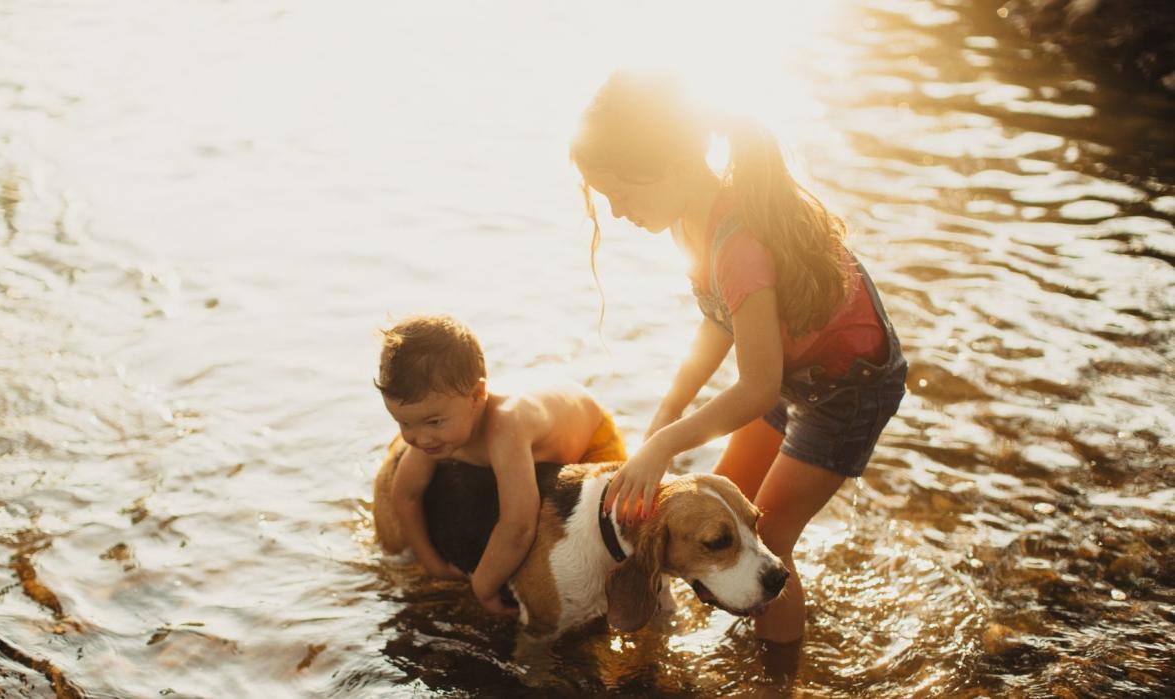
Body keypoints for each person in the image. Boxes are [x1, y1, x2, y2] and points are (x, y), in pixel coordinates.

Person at [572, 71, 907, 643]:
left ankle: (779, 677)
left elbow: (755, 387)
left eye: (622, 194)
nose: (618, 212)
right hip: (794, 375)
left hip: (848, 389)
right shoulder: (689, 219)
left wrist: (664, 444)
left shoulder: (741, 244)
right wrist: (669, 412)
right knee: (722, 503)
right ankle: (726, 623)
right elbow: (717, 319)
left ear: (674, 168)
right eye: (606, 198)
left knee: (770, 534)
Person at [375, 315, 627, 615]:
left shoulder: (506, 426)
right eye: (404, 423)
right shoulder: (431, 432)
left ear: (478, 396)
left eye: (433, 422)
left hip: (589, 439)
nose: (418, 438)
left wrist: (483, 585)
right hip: (531, 421)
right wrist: (432, 563)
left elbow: (517, 525)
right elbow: (406, 495)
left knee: (611, 532)